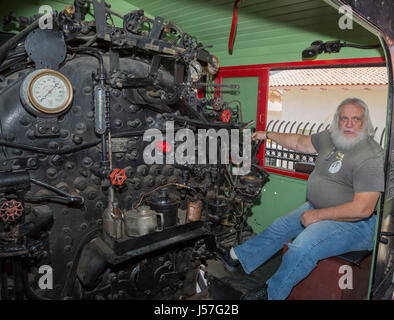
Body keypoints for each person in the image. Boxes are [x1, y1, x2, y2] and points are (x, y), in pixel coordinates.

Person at [216, 98, 385, 300]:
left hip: (356, 224)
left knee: (302, 247)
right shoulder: (331, 138)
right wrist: (267, 134)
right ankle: (236, 257)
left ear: (365, 122)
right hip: (317, 207)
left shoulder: (370, 156)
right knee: (280, 226)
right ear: (337, 121)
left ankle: (271, 293)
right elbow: (298, 142)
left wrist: (317, 215)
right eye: (344, 118)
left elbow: (363, 209)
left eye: (355, 119)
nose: (349, 124)